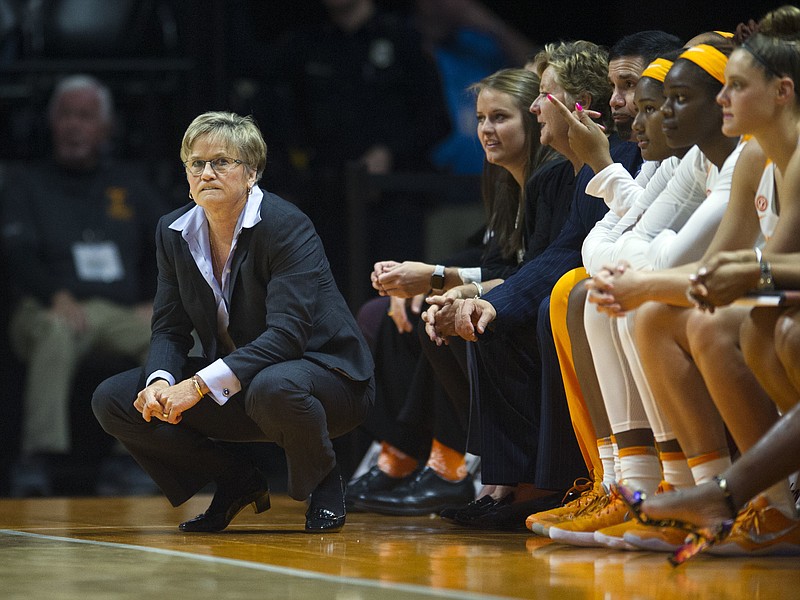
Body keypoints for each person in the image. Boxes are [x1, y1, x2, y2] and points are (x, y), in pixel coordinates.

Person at [91, 111, 375, 533]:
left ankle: (324, 479)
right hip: (244, 384)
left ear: (252, 172)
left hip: (326, 381)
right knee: (115, 398)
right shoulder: (172, 231)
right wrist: (161, 382)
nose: (206, 173)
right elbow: (169, 327)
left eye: (221, 162)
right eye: (196, 164)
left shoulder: (285, 226)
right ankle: (235, 481)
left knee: (275, 384)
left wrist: (199, 385)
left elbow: (287, 336)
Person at [591, 14, 800, 555]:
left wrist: (653, 281)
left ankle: (741, 496)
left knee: (764, 330)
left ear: (782, 92)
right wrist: (646, 287)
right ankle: (739, 499)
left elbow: (760, 271)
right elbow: (750, 263)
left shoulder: (789, 157)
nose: (725, 98)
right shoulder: (757, 154)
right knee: (661, 313)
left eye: (736, 86)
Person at [424, 40, 642, 529]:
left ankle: (555, 482)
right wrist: (479, 296)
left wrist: (487, 298)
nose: (537, 105)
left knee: (540, 312)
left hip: (614, 292)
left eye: (545, 94)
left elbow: (563, 257)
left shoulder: (622, 159)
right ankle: (504, 482)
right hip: (564, 287)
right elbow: (540, 259)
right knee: (493, 321)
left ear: (579, 106)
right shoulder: (549, 180)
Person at [349, 68, 559, 515]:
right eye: (481, 118)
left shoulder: (551, 179)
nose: (486, 129)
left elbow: (530, 270)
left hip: (533, 309)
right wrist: (428, 279)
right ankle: (405, 457)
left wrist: (437, 279)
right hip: (508, 296)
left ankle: (452, 468)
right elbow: (496, 257)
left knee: (441, 315)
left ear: (534, 120)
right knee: (383, 313)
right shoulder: (503, 180)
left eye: (500, 117)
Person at [1, 74, 165, 497]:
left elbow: (172, 240)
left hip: (116, 311)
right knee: (55, 332)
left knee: (167, 335)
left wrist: (157, 299)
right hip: (46, 307)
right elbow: (14, 252)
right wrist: (53, 296)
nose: (75, 126)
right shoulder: (26, 183)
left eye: (86, 117)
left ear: (106, 129)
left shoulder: (128, 184)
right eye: (66, 116)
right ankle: (37, 460)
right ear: (52, 124)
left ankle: (132, 458)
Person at [256, 0, 451, 295]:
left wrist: (390, 152)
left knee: (391, 302)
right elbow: (276, 120)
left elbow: (437, 121)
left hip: (393, 200)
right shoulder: (306, 43)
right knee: (328, 302)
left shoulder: (401, 39)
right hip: (325, 200)